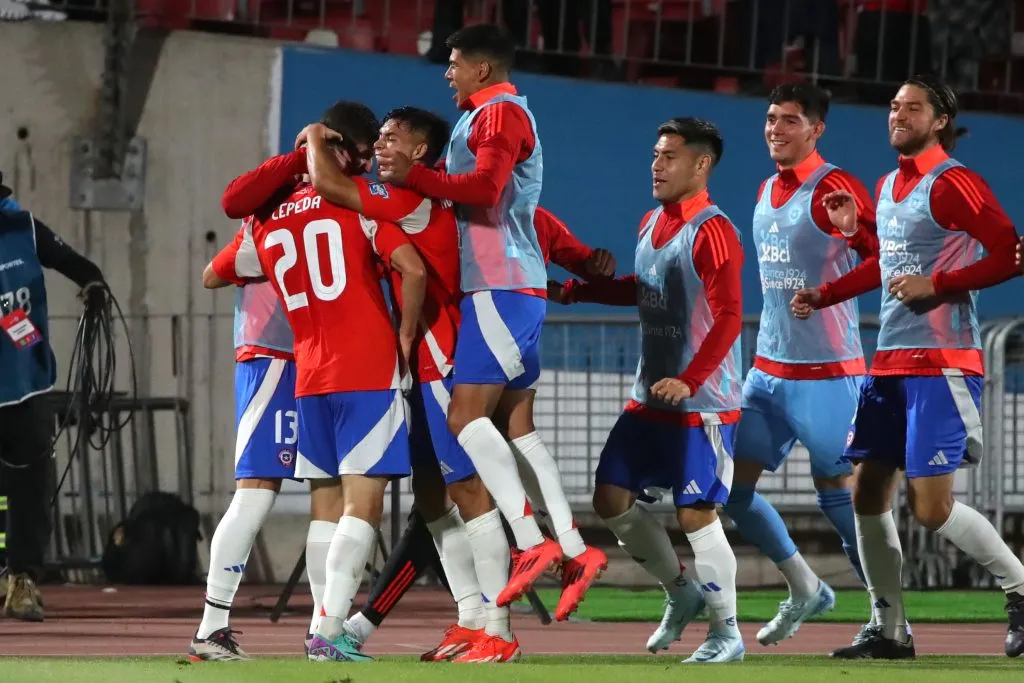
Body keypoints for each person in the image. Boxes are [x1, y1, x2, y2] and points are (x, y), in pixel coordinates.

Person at [376, 22, 607, 617]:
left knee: (463, 417)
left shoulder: (499, 113)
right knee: (519, 428)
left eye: (454, 63)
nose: (447, 73)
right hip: (511, 286)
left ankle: (530, 541)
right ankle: (574, 550)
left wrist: (414, 176)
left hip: (499, 287)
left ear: (482, 68)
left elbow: (484, 188)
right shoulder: (484, 115)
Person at [808, 75, 1024, 660]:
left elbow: (1010, 254)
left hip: (941, 364)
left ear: (940, 120)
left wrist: (941, 283)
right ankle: (889, 630)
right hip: (889, 365)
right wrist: (852, 245)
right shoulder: (887, 186)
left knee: (931, 509)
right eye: (894, 106)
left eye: (913, 107)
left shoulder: (954, 182)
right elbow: (889, 265)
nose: (898, 115)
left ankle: (1020, 588)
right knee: (866, 491)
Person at [214, 100, 430, 663]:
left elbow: (221, 262)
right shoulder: (355, 203)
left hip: (308, 371)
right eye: (359, 153)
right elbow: (412, 268)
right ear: (337, 148)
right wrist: (407, 336)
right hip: (366, 365)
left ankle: (316, 631)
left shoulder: (270, 214)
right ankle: (328, 632)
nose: (366, 164)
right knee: (364, 506)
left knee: (326, 506)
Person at [550, 118, 746, 664]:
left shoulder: (713, 231)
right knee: (610, 498)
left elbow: (730, 316)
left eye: (669, 156)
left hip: (702, 404)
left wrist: (691, 379)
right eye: (656, 155)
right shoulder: (650, 222)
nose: (657, 165)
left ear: (702, 165)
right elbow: (646, 289)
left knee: (696, 514)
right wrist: (574, 293)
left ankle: (727, 633)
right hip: (651, 397)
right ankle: (681, 592)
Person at [724, 82, 883, 648]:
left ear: (816, 129)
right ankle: (805, 587)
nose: (775, 129)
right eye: (771, 118)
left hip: (828, 376)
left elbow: (883, 259)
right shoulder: (767, 188)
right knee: (731, 491)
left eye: (789, 120)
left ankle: (888, 618)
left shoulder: (835, 187)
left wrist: (854, 235)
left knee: (846, 499)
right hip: (768, 374)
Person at [185, 219, 299, 661]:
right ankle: (211, 628)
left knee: (335, 493)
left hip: (310, 357)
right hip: (273, 356)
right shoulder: (269, 218)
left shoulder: (276, 215)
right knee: (256, 491)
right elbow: (212, 274)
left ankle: (326, 633)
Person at [0, 172, 106, 622]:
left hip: (26, 385)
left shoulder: (23, 227)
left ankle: (21, 579)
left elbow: (78, 265)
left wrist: (94, 285)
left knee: (30, 490)